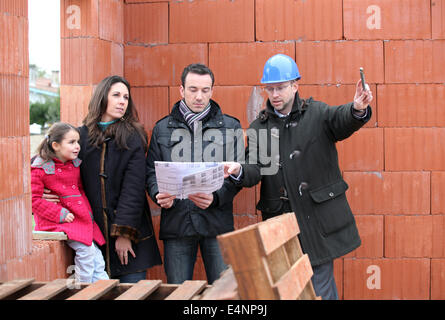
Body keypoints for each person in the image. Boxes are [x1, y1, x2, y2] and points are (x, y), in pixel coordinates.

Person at [224, 54, 373, 299]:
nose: (275, 94)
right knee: (289, 291)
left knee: (319, 288)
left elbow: (342, 119)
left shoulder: (318, 114)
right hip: (281, 225)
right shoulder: (259, 127)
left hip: (316, 222)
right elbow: (254, 168)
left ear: (295, 85)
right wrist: (239, 171)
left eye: (281, 87)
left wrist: (357, 108)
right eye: (270, 89)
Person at [42, 75, 162, 283]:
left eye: (126, 97)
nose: (122, 101)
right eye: (116, 95)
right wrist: (47, 193)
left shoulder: (133, 136)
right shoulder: (80, 136)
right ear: (101, 97)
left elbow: (133, 188)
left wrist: (124, 234)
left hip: (130, 236)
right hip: (90, 234)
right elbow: (56, 169)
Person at [146, 63, 244, 284]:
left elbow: (238, 175)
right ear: (181, 90)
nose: (199, 96)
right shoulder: (162, 128)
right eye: (193, 89)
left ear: (212, 91)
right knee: (178, 292)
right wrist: (158, 195)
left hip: (217, 222)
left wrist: (216, 197)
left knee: (223, 292)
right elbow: (151, 172)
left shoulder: (230, 126)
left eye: (205, 90)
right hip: (177, 222)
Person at [31, 122, 109, 284]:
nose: (77, 146)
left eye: (78, 142)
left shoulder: (74, 166)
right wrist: (60, 213)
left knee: (97, 257)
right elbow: (34, 200)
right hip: (57, 221)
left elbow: (80, 192)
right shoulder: (40, 169)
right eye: (71, 142)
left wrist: (88, 214)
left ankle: (104, 289)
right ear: (56, 145)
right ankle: (84, 291)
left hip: (79, 218)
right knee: (86, 253)